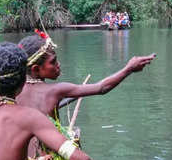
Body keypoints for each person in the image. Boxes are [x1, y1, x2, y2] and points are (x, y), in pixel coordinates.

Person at [16, 31, 156, 119]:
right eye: (53, 62)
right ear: (35, 69)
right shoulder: (55, 91)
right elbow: (101, 88)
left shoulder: (11, 91)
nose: (58, 64)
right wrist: (129, 68)